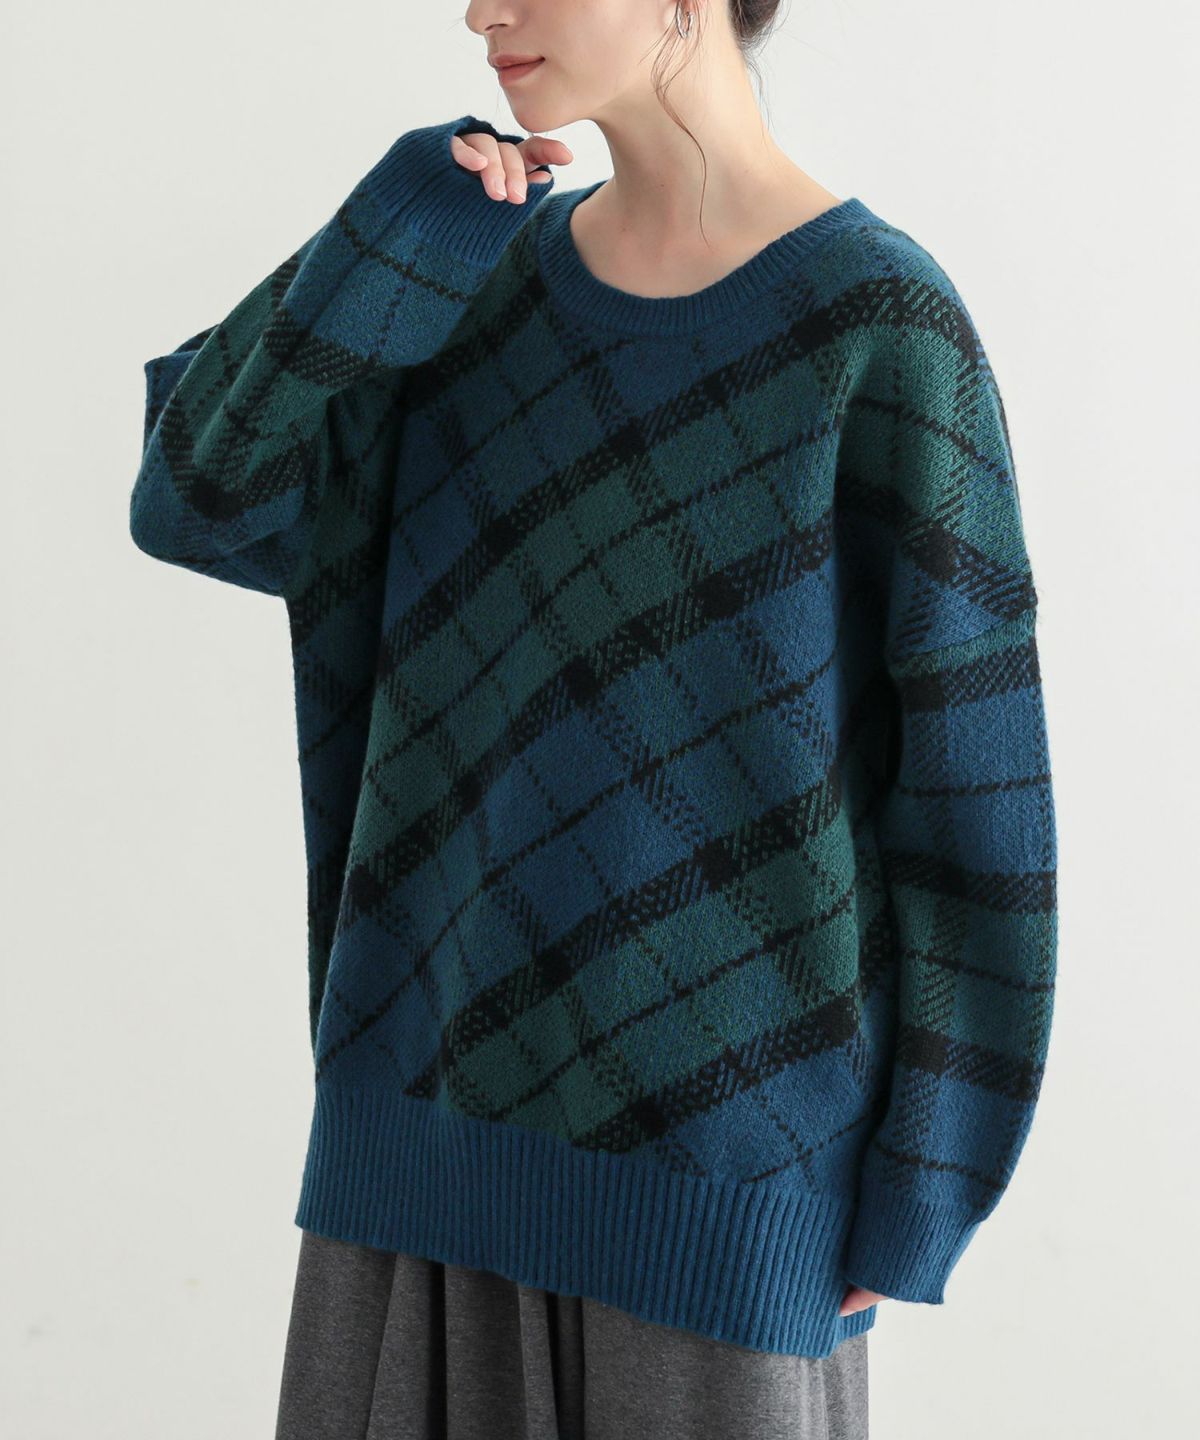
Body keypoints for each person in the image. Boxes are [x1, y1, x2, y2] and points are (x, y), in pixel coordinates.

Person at [129, 3, 1057, 1437]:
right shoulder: (464, 278)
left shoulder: (878, 328)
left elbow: (973, 792)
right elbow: (198, 500)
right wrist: (388, 239)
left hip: (722, 1193)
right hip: (422, 1145)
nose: (481, 10)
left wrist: (929, 1182)